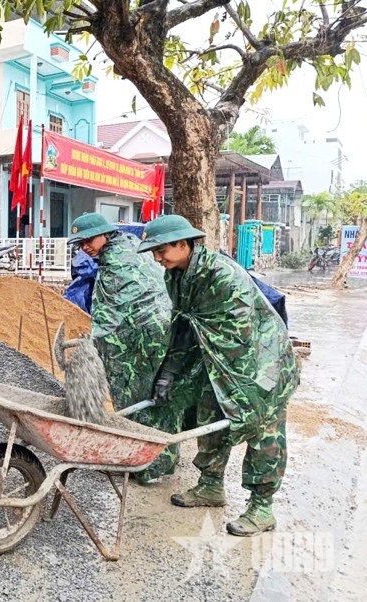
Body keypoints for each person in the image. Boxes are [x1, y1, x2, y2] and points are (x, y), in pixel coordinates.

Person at [138, 214, 299, 536]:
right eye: (153, 251)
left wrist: (235, 391)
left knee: (260, 428)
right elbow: (185, 324)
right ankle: (210, 485)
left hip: (259, 363)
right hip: (219, 359)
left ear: (183, 244)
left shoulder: (222, 275)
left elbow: (240, 336)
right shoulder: (177, 276)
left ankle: (262, 507)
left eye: (161, 250)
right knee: (209, 414)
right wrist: (169, 372)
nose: (157, 258)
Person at [67, 213, 176, 481]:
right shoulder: (130, 243)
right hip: (163, 331)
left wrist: (92, 346)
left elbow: (110, 316)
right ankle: (161, 459)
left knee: (137, 398)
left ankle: (148, 466)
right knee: (157, 397)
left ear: (104, 233)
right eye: (80, 244)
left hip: (142, 338)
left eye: (89, 240)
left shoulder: (114, 263)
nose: (85, 247)